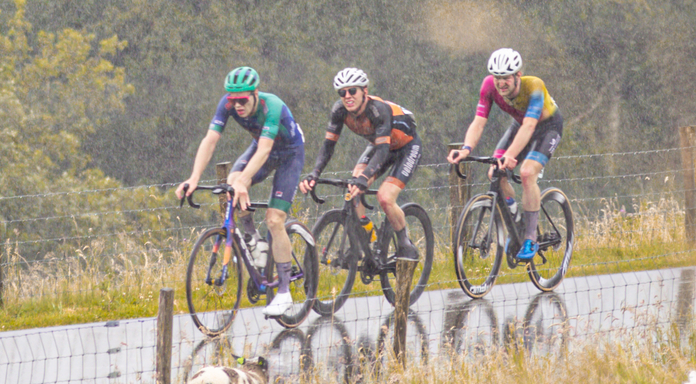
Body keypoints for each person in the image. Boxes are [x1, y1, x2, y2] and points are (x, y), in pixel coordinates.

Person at [176, 66, 307, 320]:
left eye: (243, 100)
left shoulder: (272, 106)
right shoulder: (227, 105)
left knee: (274, 219)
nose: (237, 105)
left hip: (288, 153)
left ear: (255, 94)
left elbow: (266, 150)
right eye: (232, 99)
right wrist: (193, 178)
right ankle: (254, 240)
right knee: (231, 183)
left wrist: (244, 181)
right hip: (260, 148)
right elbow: (210, 141)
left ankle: (283, 292)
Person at [448, 48, 562, 264]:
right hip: (519, 126)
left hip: (547, 128)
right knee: (496, 173)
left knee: (527, 173)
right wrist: (466, 149)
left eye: (506, 78)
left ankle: (530, 237)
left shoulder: (534, 86)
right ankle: (516, 225)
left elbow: (530, 126)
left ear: (518, 75)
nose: (501, 83)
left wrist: (510, 156)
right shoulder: (488, 86)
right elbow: (479, 122)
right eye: (497, 78)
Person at [302, 67, 421, 262]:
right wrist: (314, 174)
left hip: (406, 147)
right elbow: (328, 146)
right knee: (353, 184)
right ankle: (363, 234)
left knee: (384, 197)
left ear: (364, 91)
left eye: (352, 91)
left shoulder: (378, 110)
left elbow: (383, 151)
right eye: (342, 92)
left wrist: (365, 178)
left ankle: (404, 242)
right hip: (381, 145)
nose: (347, 96)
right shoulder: (339, 111)